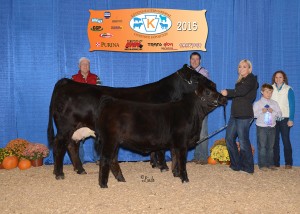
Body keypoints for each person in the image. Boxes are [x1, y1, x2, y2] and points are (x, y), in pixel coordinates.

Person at [221, 59, 258, 174]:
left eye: (244, 67)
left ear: (249, 69)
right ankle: (236, 164)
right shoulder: (240, 81)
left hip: (244, 115)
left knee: (243, 141)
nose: (241, 69)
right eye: (240, 67)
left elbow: (241, 92)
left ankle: (248, 167)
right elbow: (238, 93)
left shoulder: (251, 79)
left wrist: (227, 92)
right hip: (235, 114)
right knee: (229, 139)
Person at [72, 57, 101, 164]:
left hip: (93, 111)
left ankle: (98, 158)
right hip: (78, 112)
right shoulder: (73, 79)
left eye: (87, 64)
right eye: (83, 64)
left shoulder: (96, 78)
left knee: (97, 133)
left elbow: (100, 94)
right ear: (79, 66)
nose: (86, 66)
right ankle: (79, 159)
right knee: (77, 135)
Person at [253, 83, 282, 171]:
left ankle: (271, 164)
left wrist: (273, 111)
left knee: (271, 147)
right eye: (266, 92)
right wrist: (261, 111)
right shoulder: (257, 103)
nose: (269, 94)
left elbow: (280, 115)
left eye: (270, 92)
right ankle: (262, 165)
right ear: (262, 92)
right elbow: (253, 115)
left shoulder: (274, 103)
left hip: (272, 126)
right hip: (261, 127)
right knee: (262, 146)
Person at [271, 70, 295, 169]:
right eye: (276, 77)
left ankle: (288, 163)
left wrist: (291, 119)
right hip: (273, 118)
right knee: (274, 141)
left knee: (286, 140)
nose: (278, 79)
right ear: (274, 79)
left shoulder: (288, 89)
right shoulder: (270, 88)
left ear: (284, 78)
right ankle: (275, 163)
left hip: (285, 118)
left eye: (280, 77)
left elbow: (292, 105)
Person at [190, 52, 209, 164]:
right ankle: (197, 156)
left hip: (201, 106)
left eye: (197, 59)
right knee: (195, 132)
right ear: (190, 60)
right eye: (193, 59)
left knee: (202, 132)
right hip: (192, 107)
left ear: (200, 61)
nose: (195, 61)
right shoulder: (189, 72)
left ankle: (203, 157)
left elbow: (198, 87)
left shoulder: (203, 72)